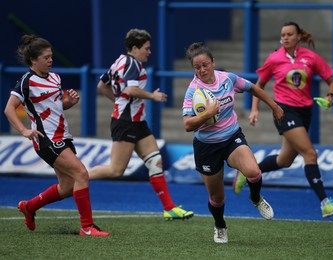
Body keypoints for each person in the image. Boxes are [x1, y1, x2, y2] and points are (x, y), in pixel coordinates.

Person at [233, 21, 333, 218]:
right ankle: (325, 203)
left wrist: (330, 97)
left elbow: (332, 81)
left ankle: (248, 170)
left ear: (298, 37)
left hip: (305, 112)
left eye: (289, 34)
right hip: (283, 111)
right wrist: (254, 110)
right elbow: (258, 85)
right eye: (283, 35)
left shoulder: (311, 58)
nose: (285, 38)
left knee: (284, 161)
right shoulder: (274, 59)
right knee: (310, 154)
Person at [4, 35, 109, 236]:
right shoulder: (27, 81)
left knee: (68, 186)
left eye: (51, 56)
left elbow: (52, 108)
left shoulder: (55, 77)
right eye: (45, 57)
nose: (50, 60)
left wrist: (67, 104)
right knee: (81, 174)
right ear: (33, 61)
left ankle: (29, 206)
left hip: (64, 136)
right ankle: (86, 226)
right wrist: (24, 130)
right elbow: (9, 109)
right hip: (46, 139)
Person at [182, 42, 284, 243]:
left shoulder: (227, 79)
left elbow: (253, 88)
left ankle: (255, 198)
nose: (202, 70)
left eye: (205, 64)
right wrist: (207, 114)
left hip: (231, 137)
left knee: (254, 172)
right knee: (217, 198)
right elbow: (187, 125)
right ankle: (220, 225)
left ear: (213, 62)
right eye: (197, 67)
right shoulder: (193, 91)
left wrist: (274, 106)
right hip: (206, 147)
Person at [88, 28, 194, 220]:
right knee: (115, 170)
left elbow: (101, 85)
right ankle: (78, 177)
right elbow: (130, 89)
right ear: (135, 48)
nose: (149, 52)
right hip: (126, 122)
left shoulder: (119, 61)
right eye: (146, 48)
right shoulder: (133, 64)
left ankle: (169, 208)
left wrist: (119, 102)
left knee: (156, 161)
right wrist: (152, 96)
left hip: (137, 122)